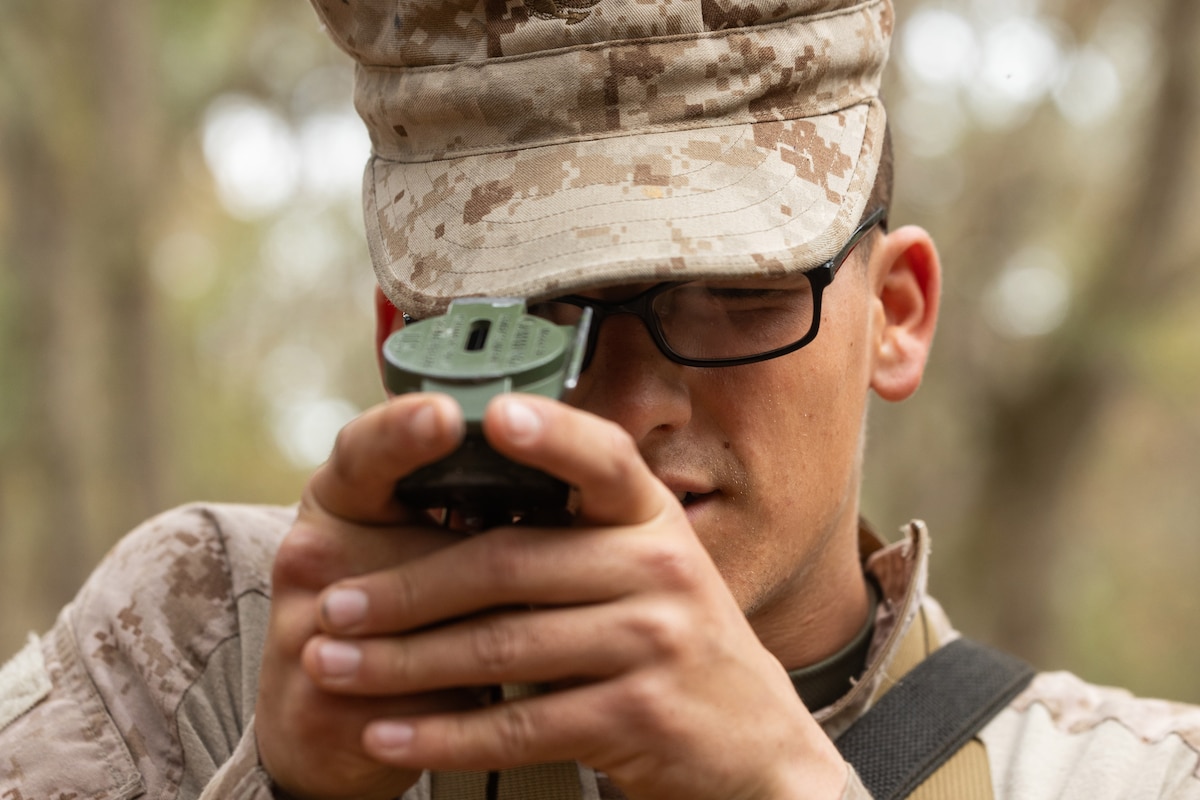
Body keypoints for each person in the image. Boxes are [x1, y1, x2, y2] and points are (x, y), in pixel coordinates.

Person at [2, 0, 1199, 797]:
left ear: (896, 312)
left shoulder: (1130, 775)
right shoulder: (209, 647)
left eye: (734, 292)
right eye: (526, 316)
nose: (627, 407)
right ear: (403, 341)